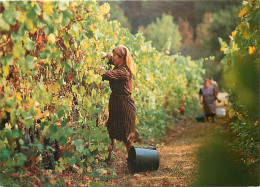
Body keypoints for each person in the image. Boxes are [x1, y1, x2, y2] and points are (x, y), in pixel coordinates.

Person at [101, 45, 136, 160]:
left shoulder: (124, 72)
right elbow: (111, 59)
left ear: (121, 58)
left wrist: (92, 70)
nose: (113, 57)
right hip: (116, 102)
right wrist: (106, 56)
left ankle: (134, 162)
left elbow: (105, 75)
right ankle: (107, 158)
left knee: (127, 137)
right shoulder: (120, 65)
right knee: (110, 130)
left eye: (115, 55)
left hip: (124, 105)